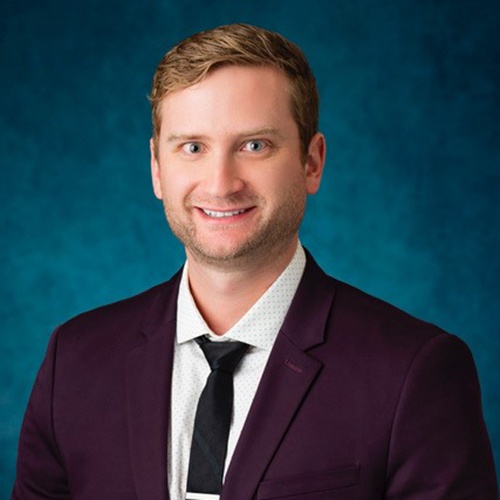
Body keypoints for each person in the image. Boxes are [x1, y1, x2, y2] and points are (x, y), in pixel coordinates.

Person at [11, 23, 498, 500]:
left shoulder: (415, 371)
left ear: (312, 163)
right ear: (158, 169)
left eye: (255, 145)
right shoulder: (73, 361)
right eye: (193, 147)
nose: (221, 183)